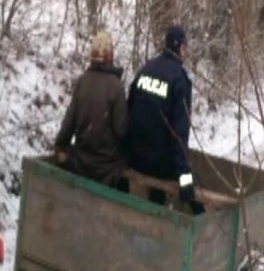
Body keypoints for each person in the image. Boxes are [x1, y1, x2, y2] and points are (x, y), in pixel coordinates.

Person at [125, 25, 205, 215]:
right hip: (158, 163)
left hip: (134, 156)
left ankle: (150, 218)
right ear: (179, 48)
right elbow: (179, 133)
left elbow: (128, 110)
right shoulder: (180, 80)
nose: (185, 52)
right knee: (187, 179)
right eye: (184, 48)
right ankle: (202, 224)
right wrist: (185, 177)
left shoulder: (146, 69)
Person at [53, 31, 128, 188]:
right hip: (108, 166)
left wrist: (60, 145)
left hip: (81, 161)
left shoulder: (82, 81)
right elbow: (122, 131)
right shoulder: (116, 86)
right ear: (110, 55)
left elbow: (69, 122)